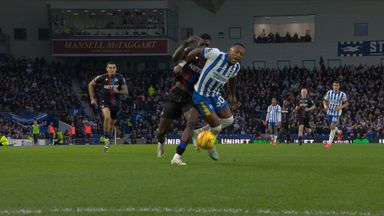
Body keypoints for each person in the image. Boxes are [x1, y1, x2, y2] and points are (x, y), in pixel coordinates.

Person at [156, 34, 212, 166]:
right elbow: (175, 58)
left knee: (191, 122)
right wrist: (187, 43)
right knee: (161, 131)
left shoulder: (210, 63)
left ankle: (177, 157)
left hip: (191, 97)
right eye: (202, 44)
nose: (204, 47)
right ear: (198, 45)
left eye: (207, 45)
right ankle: (161, 141)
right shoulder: (190, 53)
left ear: (210, 47)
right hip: (176, 94)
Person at [184, 43, 246, 160]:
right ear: (229, 51)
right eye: (236, 52)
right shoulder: (215, 54)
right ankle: (209, 144)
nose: (238, 55)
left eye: (241, 54)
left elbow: (233, 78)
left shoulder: (236, 67)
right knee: (216, 128)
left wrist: (232, 95)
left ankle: (199, 133)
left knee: (229, 120)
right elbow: (198, 50)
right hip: (201, 95)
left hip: (214, 94)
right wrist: (185, 62)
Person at [88, 61, 128, 152]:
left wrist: (119, 91)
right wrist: (92, 98)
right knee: (106, 117)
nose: (112, 69)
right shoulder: (102, 77)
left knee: (111, 125)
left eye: (114, 68)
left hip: (116, 104)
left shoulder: (120, 78)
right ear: (107, 69)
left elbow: (126, 91)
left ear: (116, 69)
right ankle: (106, 139)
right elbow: (90, 84)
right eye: (110, 67)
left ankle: (108, 140)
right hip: (104, 101)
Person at [323, 81, 349, 149]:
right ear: (333, 86)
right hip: (329, 112)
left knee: (332, 127)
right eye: (334, 85)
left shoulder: (342, 94)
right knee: (332, 127)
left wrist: (340, 107)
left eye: (337, 85)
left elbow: (346, 103)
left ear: (339, 86)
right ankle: (339, 132)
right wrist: (325, 106)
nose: (335, 87)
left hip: (337, 113)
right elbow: (324, 100)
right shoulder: (329, 92)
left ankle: (329, 143)